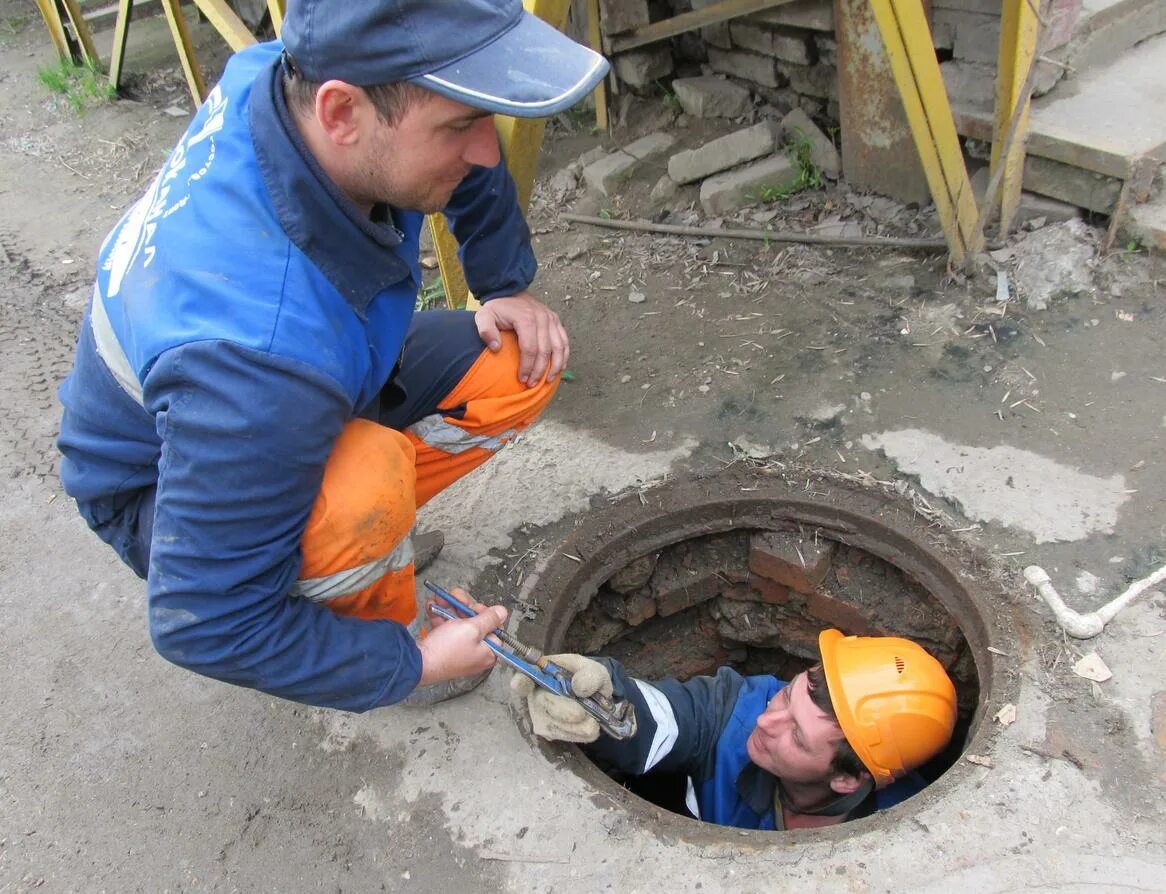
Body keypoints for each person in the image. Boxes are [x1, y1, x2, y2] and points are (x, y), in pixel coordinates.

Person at [55, 0, 609, 710]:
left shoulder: (291, 82)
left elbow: (470, 155)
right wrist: (409, 665)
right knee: (361, 492)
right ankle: (379, 620)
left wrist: (502, 283)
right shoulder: (255, 362)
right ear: (342, 113)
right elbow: (205, 623)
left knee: (516, 363)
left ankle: (352, 553)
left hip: (311, 378)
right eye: (459, 125)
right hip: (166, 487)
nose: (485, 149)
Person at [512, 629, 958, 830]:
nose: (767, 720)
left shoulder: (900, 834)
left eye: (797, 735)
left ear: (846, 778)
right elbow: (671, 717)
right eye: (788, 695)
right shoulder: (744, 708)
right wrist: (605, 698)